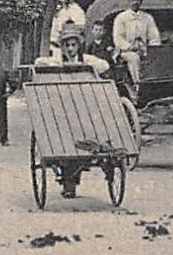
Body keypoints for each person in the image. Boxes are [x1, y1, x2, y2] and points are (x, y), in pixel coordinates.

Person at [33, 24, 115, 197]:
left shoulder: (86, 59)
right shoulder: (57, 61)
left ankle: (105, 164)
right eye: (67, 45)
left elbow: (104, 65)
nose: (70, 49)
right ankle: (69, 183)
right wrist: (55, 65)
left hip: (84, 106)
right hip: (64, 108)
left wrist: (87, 66)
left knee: (95, 130)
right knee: (65, 140)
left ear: (78, 46)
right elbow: (39, 62)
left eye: (73, 45)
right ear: (62, 47)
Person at [112, 0, 161, 87]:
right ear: (129, 1)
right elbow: (118, 38)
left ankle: (155, 83)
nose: (135, 2)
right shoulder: (121, 18)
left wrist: (152, 48)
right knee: (134, 58)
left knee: (156, 57)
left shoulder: (147, 18)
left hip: (144, 49)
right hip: (125, 52)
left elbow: (154, 36)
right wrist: (130, 47)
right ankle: (138, 84)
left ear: (141, 1)